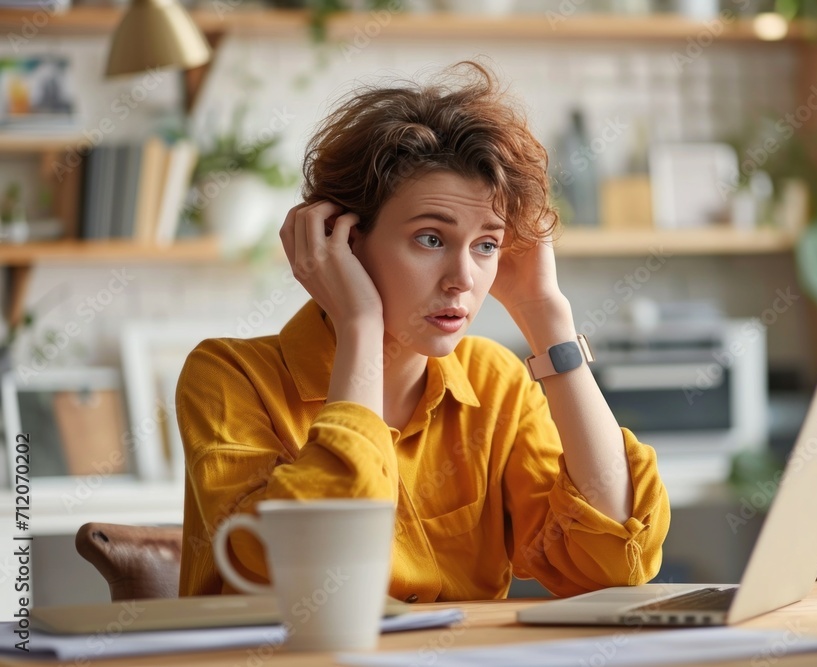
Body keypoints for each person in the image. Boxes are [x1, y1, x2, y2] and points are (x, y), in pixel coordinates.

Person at [178, 61, 670, 601]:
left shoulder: (495, 384)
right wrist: (359, 325)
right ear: (343, 240)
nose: (463, 279)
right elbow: (315, 573)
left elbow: (612, 564)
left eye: (486, 245)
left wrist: (545, 315)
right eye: (431, 239)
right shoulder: (228, 378)